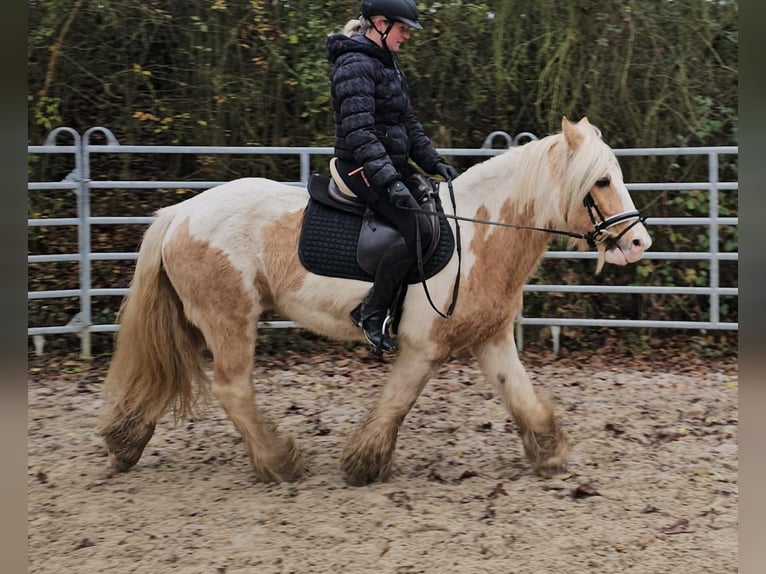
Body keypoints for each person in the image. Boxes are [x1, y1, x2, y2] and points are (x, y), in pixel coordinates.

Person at [326, 0, 458, 354]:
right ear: (380, 24)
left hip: (388, 163)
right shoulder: (354, 64)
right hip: (360, 165)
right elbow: (360, 133)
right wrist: (390, 181)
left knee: (434, 211)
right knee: (417, 227)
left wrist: (434, 162)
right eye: (402, 29)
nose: (406, 36)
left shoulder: (388, 64)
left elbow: (407, 124)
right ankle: (371, 311)